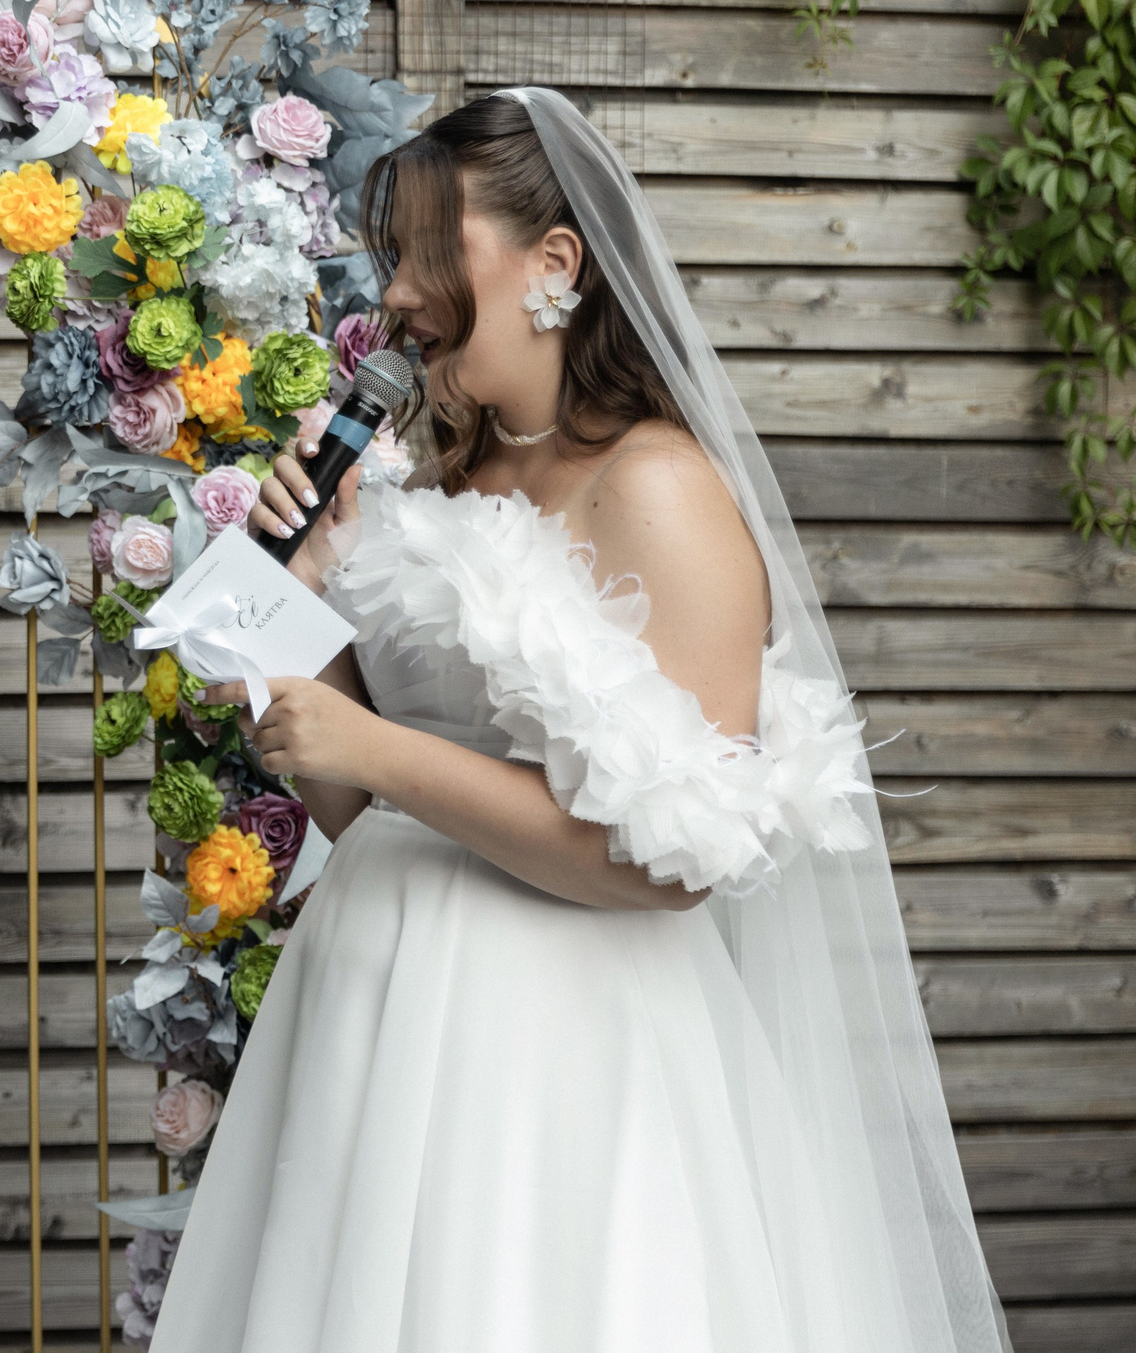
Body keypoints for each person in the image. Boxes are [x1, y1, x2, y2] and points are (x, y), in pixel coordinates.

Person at [151, 90, 1012, 1353]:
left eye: (423, 255)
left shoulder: (655, 486)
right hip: (367, 1018)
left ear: (552, 266)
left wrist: (379, 753)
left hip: (553, 1047)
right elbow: (343, 793)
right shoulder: (447, 473)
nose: (391, 295)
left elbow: (677, 862)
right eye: (391, 259)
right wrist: (297, 592)